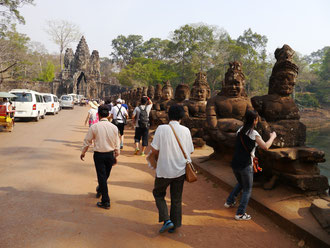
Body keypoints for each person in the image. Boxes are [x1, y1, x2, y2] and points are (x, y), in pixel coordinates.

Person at [224, 110, 277, 220]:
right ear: (254, 120)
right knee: (247, 189)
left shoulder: (239, 130)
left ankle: (229, 201)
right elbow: (266, 146)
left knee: (241, 183)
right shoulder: (253, 133)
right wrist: (272, 137)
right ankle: (240, 214)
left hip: (235, 163)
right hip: (245, 165)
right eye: (257, 119)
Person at [149, 105, 194, 233]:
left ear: (169, 115)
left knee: (158, 194)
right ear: (182, 116)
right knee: (176, 199)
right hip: (180, 171)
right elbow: (190, 151)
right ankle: (175, 224)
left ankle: (166, 219)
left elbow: (154, 149)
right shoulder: (186, 130)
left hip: (164, 169)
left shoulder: (161, 129)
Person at [80, 105, 120, 209]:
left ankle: (105, 201)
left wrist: (83, 152)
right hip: (110, 154)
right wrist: (117, 153)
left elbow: (87, 140)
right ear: (108, 114)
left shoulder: (95, 127)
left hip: (99, 155)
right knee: (105, 175)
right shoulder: (114, 127)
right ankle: (103, 193)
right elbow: (117, 142)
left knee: (102, 176)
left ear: (98, 114)